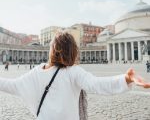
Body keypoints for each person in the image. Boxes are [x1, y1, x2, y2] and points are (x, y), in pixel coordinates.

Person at [0, 31, 149, 120]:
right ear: (73, 51)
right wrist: (126, 79)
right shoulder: (73, 72)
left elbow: (11, 85)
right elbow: (97, 85)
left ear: (52, 50)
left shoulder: (37, 72)